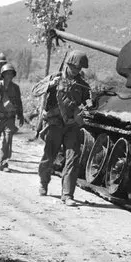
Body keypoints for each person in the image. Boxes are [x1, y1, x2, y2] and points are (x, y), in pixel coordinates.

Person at [36, 50, 92, 206]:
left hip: (72, 126)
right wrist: (50, 85)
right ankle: (43, 181)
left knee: (73, 159)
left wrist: (88, 106)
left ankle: (67, 194)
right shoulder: (55, 77)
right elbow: (35, 91)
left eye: (79, 68)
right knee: (49, 157)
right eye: (74, 67)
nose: (76, 70)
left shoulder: (82, 84)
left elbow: (88, 103)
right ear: (69, 64)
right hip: (54, 124)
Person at [0, 63, 24, 170]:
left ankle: (3, 163)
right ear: (3, 74)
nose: (9, 76)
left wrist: (20, 115)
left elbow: (19, 102)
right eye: (7, 73)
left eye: (11, 74)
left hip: (9, 118)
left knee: (7, 140)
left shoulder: (16, 88)